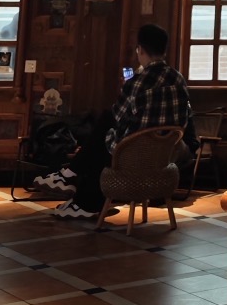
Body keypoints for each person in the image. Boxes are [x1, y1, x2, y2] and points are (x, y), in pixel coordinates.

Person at [34, 25, 195, 221]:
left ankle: (74, 183)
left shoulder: (137, 82)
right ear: (164, 50)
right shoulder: (179, 79)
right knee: (104, 137)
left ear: (140, 50)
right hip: (166, 155)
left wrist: (127, 91)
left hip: (133, 156)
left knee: (105, 128)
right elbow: (185, 118)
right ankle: (79, 197)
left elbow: (117, 117)